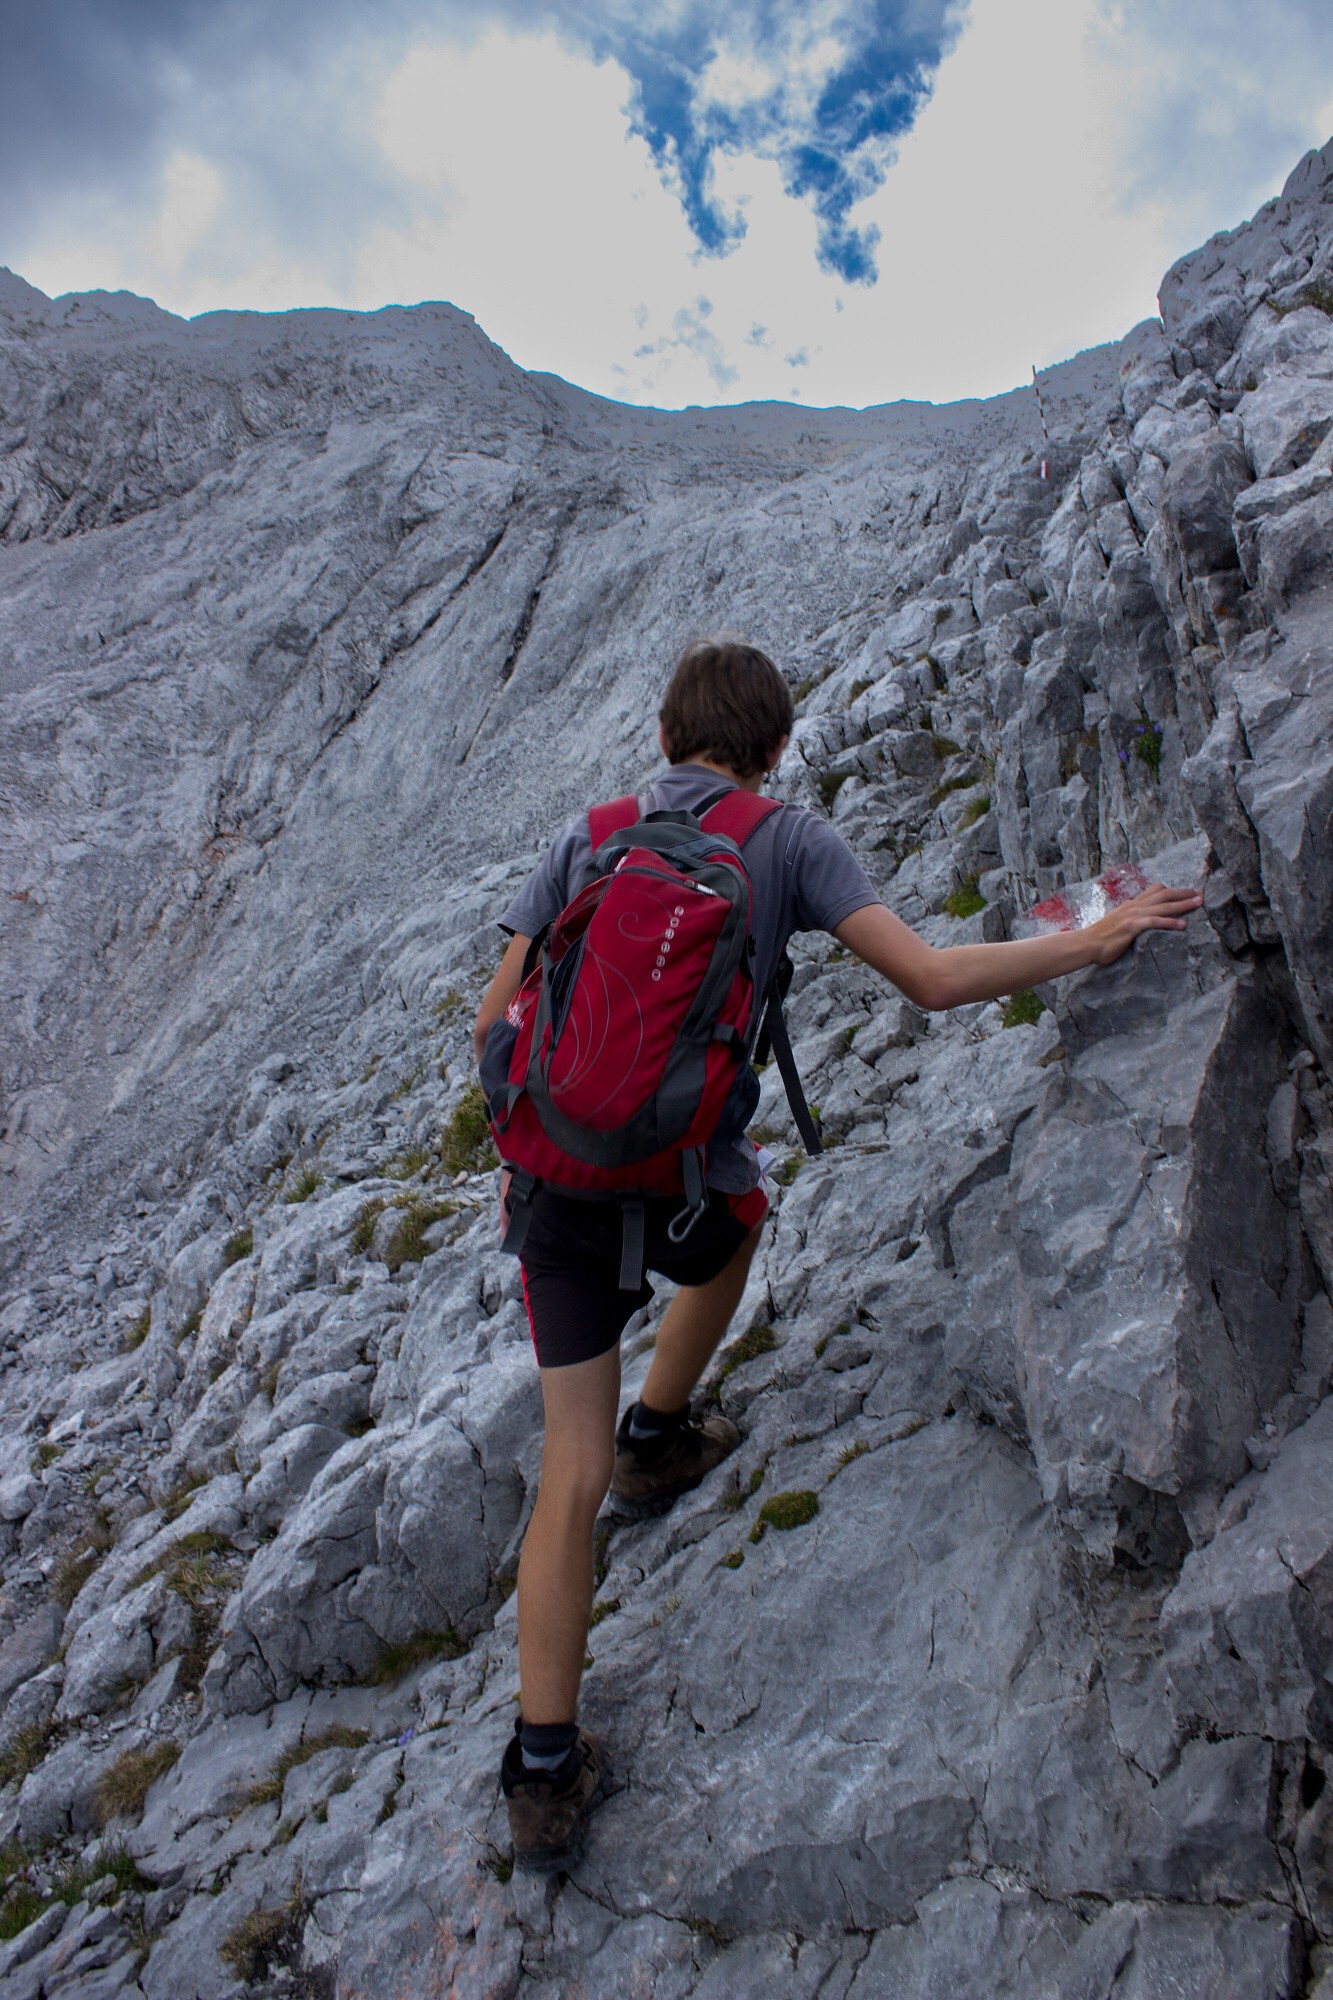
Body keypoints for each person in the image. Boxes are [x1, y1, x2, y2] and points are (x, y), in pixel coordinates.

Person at [472, 639, 1202, 1869]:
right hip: (683, 1176)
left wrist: (546, 1135)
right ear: (773, 747)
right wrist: (1090, 941)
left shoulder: (589, 830)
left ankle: (544, 1768)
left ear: (665, 740)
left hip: (553, 1185)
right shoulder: (788, 840)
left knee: (567, 1467)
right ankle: (666, 1428)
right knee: (741, 1214)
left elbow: (495, 1022)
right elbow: (926, 976)